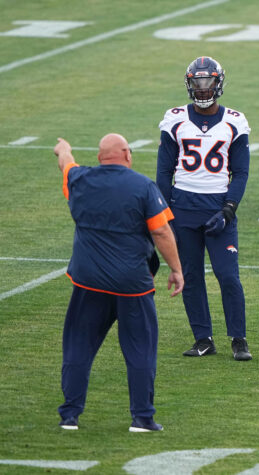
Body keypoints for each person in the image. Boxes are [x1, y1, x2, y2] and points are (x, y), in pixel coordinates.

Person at [54, 134, 184, 432]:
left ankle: (70, 415)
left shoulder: (80, 179)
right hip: (132, 284)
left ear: (101, 158)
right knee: (140, 350)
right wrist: (176, 269)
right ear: (126, 154)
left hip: (88, 281)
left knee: (78, 347)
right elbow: (162, 233)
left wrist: (64, 147)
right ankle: (142, 417)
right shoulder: (142, 186)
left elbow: (66, 164)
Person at [156, 56, 252, 361]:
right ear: (189, 84)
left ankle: (239, 338)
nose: (202, 88)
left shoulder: (235, 121)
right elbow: (163, 172)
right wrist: (166, 213)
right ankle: (203, 338)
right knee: (191, 276)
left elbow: (242, 172)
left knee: (228, 276)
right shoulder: (174, 120)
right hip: (183, 207)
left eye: (207, 81)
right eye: (197, 82)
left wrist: (228, 210)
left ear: (218, 83)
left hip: (217, 207)